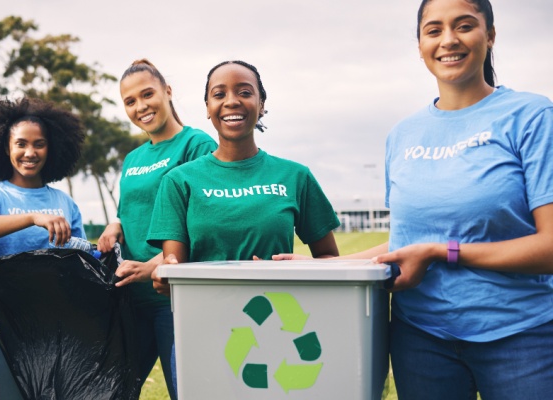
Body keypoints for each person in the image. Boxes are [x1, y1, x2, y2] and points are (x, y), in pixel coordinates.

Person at [279, 1, 553, 398]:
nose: (449, 40)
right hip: (421, 340)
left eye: (464, 26)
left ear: (490, 35)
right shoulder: (403, 135)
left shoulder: (531, 116)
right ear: (420, 44)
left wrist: (443, 252)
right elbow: (407, 241)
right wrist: (324, 267)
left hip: (519, 338)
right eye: (434, 30)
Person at [148, 60, 340, 289]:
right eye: (219, 94)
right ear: (208, 108)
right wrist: (165, 278)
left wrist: (293, 271)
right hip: (205, 316)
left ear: (261, 105)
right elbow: (173, 275)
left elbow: (330, 260)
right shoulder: (178, 181)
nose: (232, 101)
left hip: (282, 315)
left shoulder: (296, 176)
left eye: (245, 92)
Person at [96, 59, 217, 399]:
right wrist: (115, 223)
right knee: (111, 392)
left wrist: (156, 264)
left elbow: (203, 222)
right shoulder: (133, 159)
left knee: (189, 391)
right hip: (131, 302)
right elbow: (131, 208)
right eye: (130, 101)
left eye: (147, 94)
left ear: (167, 91)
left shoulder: (196, 145)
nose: (140, 106)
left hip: (175, 299)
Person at [0, 97, 86, 400]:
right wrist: (32, 218)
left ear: (51, 148)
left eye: (39, 144)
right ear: (6, 147)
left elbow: (82, 259)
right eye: (21, 144)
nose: (30, 152)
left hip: (52, 333)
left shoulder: (65, 203)